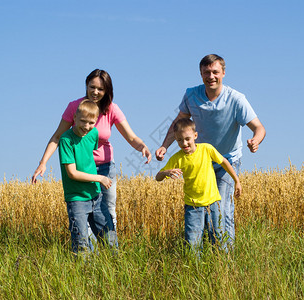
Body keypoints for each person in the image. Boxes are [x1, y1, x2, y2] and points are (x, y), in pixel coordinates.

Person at [155, 54, 266, 247]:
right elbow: (178, 124)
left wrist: (255, 141)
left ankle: (225, 256)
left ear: (223, 73)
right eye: (206, 72)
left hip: (226, 159)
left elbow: (259, 128)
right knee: (202, 208)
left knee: (222, 208)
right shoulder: (191, 95)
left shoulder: (236, 99)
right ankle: (207, 250)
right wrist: (165, 146)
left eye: (215, 72)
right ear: (201, 74)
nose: (211, 76)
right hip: (199, 160)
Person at [32, 69, 152, 233]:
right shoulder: (75, 107)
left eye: (100, 89)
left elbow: (131, 137)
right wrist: (43, 162)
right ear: (86, 86)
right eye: (92, 87)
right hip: (81, 168)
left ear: (107, 91)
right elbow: (58, 136)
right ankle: (90, 253)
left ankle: (110, 253)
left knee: (107, 211)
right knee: (85, 215)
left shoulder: (112, 109)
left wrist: (143, 147)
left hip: (106, 167)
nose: (95, 92)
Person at [155, 118, 242, 252]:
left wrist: (236, 181)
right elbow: (158, 177)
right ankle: (195, 267)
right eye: (179, 140)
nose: (184, 143)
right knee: (192, 241)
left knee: (218, 237)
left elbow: (224, 162)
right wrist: (167, 172)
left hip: (213, 203)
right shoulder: (177, 158)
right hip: (193, 206)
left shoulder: (207, 149)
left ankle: (223, 265)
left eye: (187, 139)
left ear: (195, 136)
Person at [59, 100, 117, 253]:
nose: (86, 126)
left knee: (108, 235)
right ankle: (84, 272)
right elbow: (72, 173)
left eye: (91, 122)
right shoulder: (66, 140)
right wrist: (99, 178)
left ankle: (115, 267)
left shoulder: (93, 133)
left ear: (96, 121)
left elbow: (89, 155)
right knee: (81, 240)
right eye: (83, 121)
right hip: (77, 198)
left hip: (95, 195)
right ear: (75, 117)